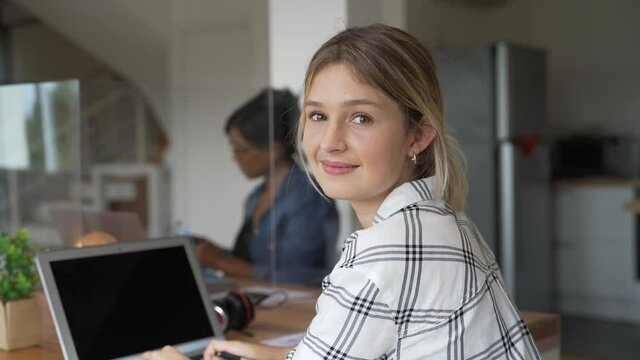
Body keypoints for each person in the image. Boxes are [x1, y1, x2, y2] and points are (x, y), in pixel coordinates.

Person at [141, 24, 540, 360]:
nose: (330, 141)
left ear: (417, 136)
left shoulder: (381, 257)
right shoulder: (445, 221)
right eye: (318, 115)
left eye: (360, 118)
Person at [194, 88, 338, 286]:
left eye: (242, 149)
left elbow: (299, 275)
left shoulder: (308, 194)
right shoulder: (255, 197)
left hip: (298, 312)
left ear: (273, 150)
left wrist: (221, 261)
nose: (235, 159)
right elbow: (258, 264)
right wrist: (213, 253)